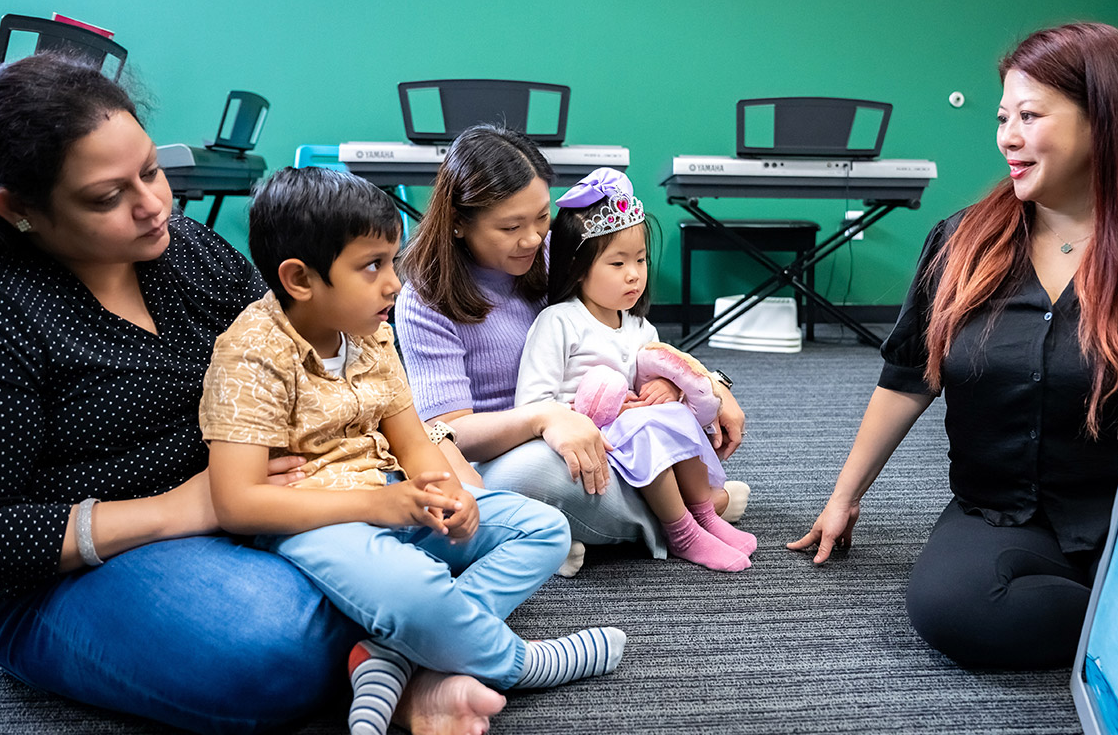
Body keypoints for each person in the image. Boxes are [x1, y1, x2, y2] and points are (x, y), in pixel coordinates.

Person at [0, 53, 509, 735]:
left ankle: (389, 658)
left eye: (151, 169)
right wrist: (183, 510)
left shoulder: (188, 251)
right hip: (79, 567)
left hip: (252, 507)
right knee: (269, 642)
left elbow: (303, 355)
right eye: (107, 198)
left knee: (493, 524)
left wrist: (421, 457)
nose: (152, 205)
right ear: (19, 209)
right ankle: (412, 659)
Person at [789, 22, 1118, 670]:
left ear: (1107, 122)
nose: (1007, 136)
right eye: (1004, 116)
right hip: (1000, 512)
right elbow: (908, 377)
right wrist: (844, 495)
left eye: (1030, 116)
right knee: (954, 609)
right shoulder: (961, 242)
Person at [202, 166, 627, 734]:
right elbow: (236, 504)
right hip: (317, 517)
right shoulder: (251, 354)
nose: (393, 284)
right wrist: (376, 507)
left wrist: (446, 490)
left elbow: (412, 436)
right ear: (300, 279)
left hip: (390, 496)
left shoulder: (370, 329)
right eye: (371, 266)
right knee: (412, 587)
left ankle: (395, 654)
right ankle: (516, 662)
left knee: (544, 529)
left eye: (392, 262)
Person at [395, 125, 749, 577]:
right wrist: (546, 419)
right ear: (459, 222)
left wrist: (706, 383)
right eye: (510, 226)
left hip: (602, 428)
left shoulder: (554, 251)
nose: (532, 239)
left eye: (541, 217)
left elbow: (628, 337)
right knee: (532, 475)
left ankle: (563, 529)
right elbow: (444, 433)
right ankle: (682, 517)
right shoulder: (426, 297)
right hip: (506, 452)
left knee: (665, 420)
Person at [515, 168, 758, 572]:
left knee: (672, 415)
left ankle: (704, 514)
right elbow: (532, 403)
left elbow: (647, 373)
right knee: (646, 430)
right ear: (578, 268)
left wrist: (663, 386)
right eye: (617, 263)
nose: (634, 273)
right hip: (589, 435)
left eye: (641, 260)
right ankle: (682, 532)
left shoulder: (639, 326)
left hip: (631, 424)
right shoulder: (559, 322)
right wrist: (589, 414)